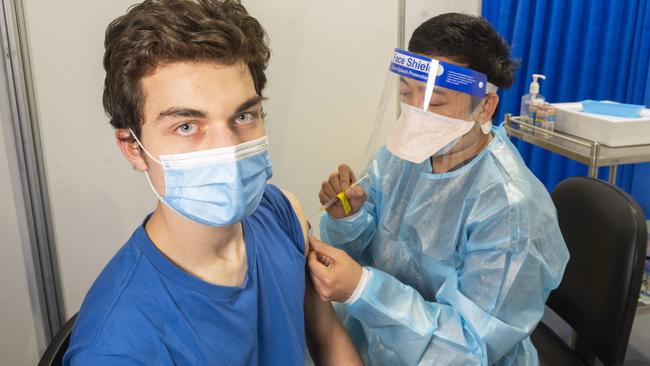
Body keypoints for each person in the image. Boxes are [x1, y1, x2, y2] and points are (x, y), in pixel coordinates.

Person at [63, 1, 361, 365]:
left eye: (243, 115)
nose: (229, 150)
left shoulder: (281, 211)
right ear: (133, 148)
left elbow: (328, 340)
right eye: (186, 126)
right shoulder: (116, 348)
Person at [308, 13, 569, 365]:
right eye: (406, 94)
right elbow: (374, 249)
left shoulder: (511, 209)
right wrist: (349, 219)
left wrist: (363, 291)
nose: (416, 113)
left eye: (436, 101)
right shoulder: (406, 155)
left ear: (485, 107)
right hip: (380, 339)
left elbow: (468, 347)